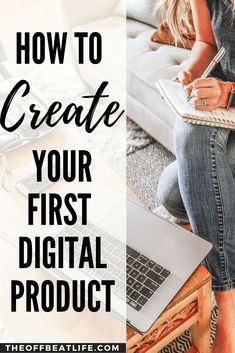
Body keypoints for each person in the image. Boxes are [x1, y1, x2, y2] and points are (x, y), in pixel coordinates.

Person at [157, 1, 235, 352]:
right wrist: (189, 72)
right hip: (226, 106)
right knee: (172, 194)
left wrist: (228, 93)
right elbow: (206, 42)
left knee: (192, 146)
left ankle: (229, 318)